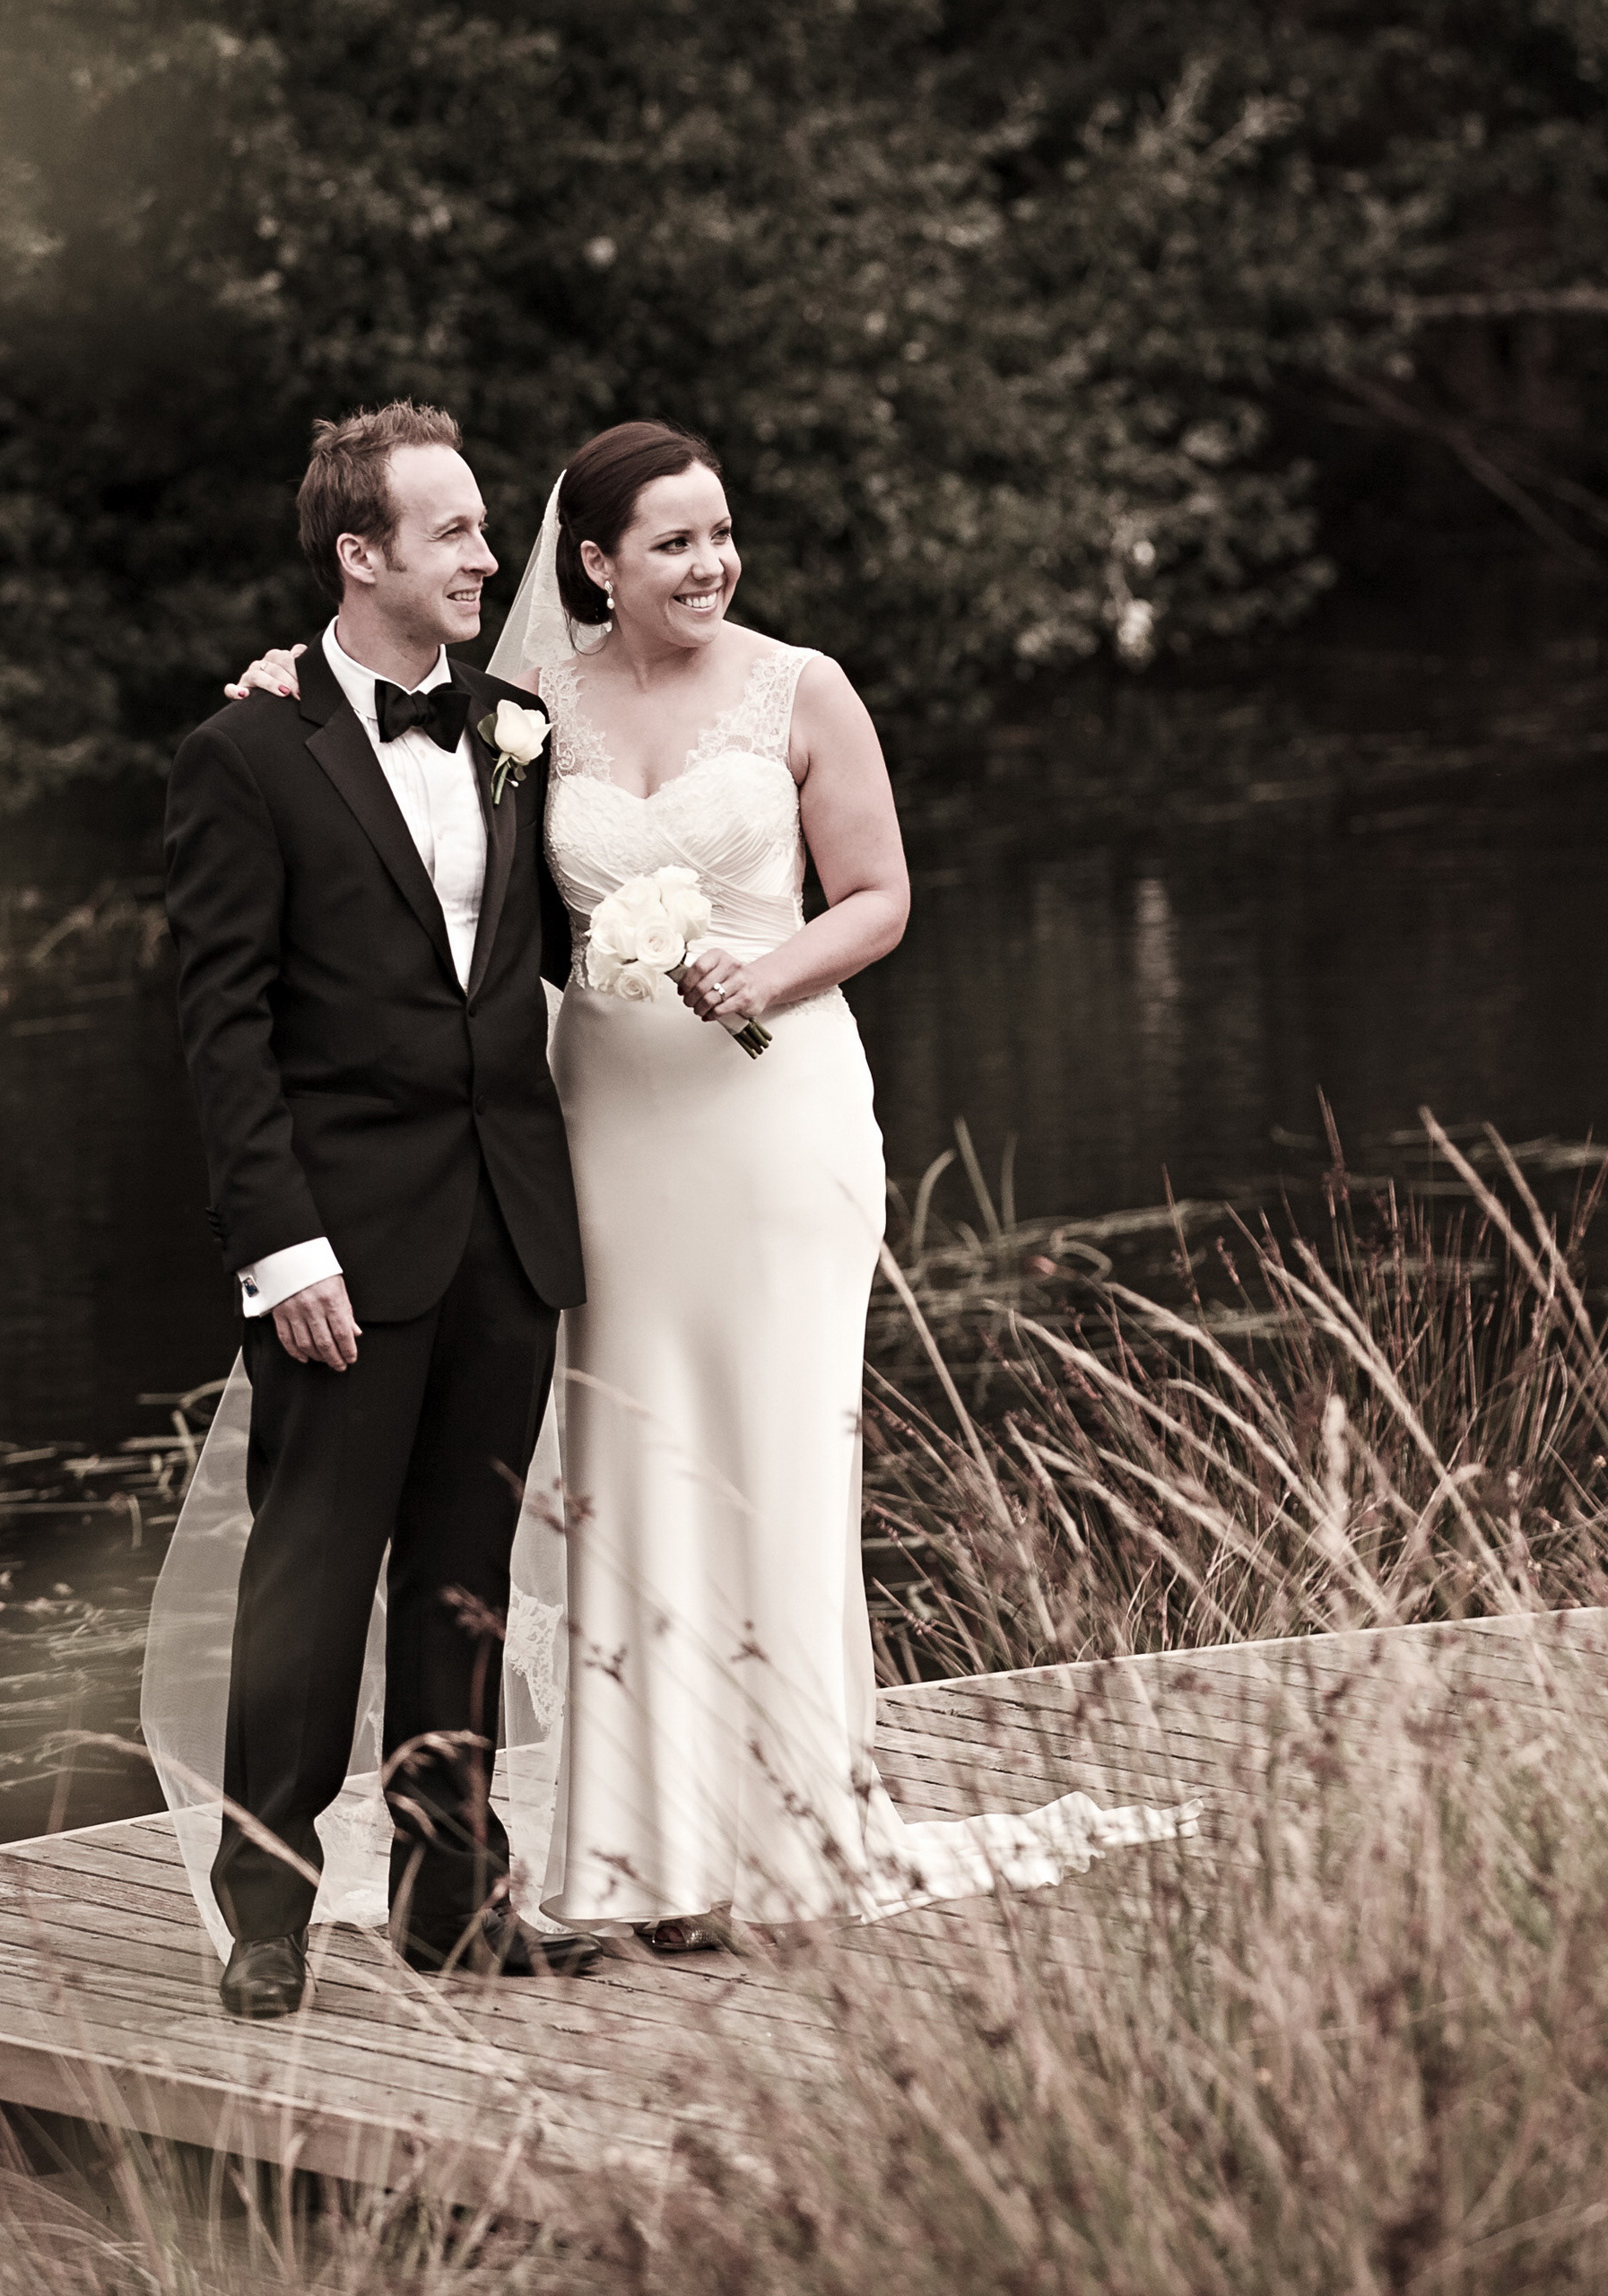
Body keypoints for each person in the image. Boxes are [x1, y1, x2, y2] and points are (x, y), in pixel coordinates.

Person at [203, 421, 1196, 1952]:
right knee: (625, 1472)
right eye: (674, 540)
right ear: (596, 566)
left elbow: (880, 894)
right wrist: (292, 676)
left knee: (773, 1454)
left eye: (721, 533)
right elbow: (373, 888)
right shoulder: (521, 714)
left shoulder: (782, 689)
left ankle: (775, 1836)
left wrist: (767, 975)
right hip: (600, 1146)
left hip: (771, 1121)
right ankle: (638, 1855)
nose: (712, 561)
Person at [158, 402, 605, 2018]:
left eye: (485, 527)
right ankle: (266, 1911)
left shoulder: (514, 725)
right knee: (310, 1578)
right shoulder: (246, 754)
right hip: (341, 1241)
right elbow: (223, 1029)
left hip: (506, 1222)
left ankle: (451, 1900)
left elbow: (557, 943)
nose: (489, 555)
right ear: (362, 555)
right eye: (455, 532)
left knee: (463, 1581)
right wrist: (283, 1250)